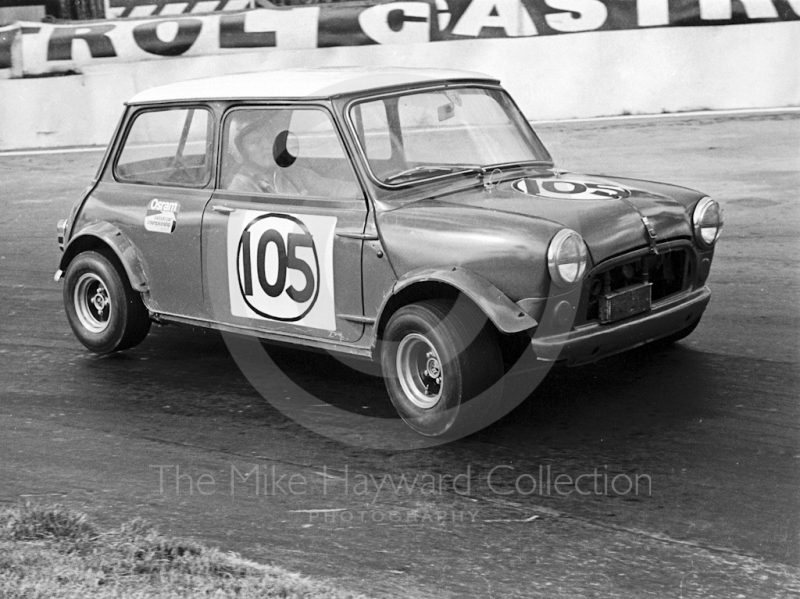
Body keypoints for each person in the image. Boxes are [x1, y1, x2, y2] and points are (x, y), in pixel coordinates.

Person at [227, 112, 359, 198]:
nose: (267, 144)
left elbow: (335, 188)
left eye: (269, 137)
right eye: (255, 141)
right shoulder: (240, 188)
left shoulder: (292, 173)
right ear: (242, 152)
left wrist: (368, 193)